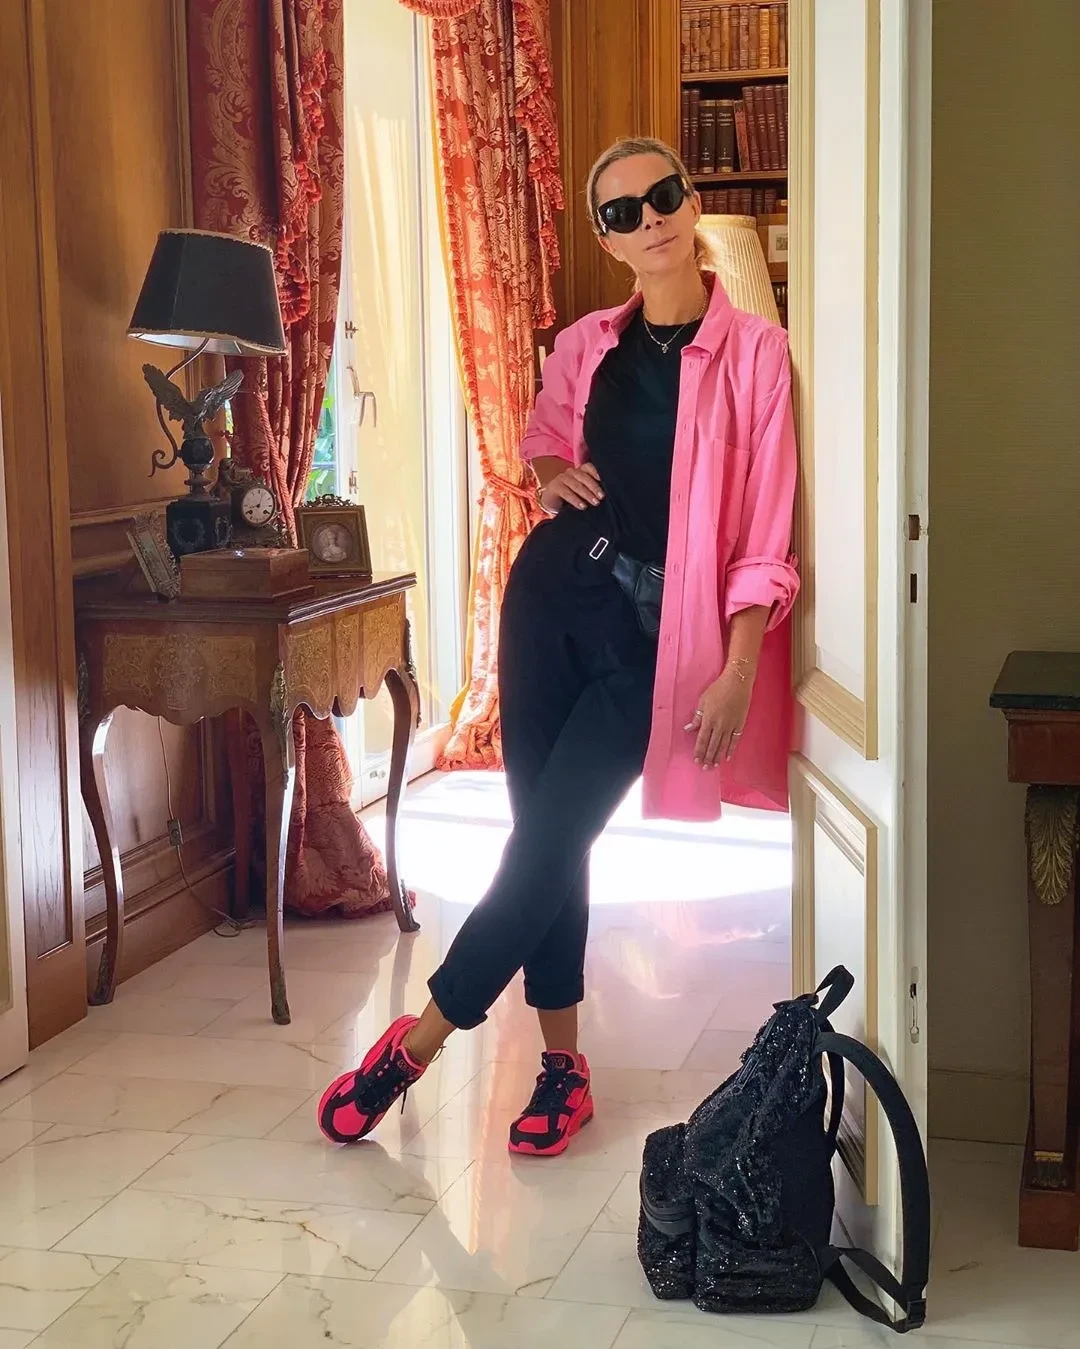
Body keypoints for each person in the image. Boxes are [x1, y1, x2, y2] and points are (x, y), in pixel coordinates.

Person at [317, 137, 799, 1156]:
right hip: (550, 601)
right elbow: (542, 442)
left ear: (691, 201)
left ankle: (418, 1041)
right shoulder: (586, 344)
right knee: (546, 836)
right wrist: (546, 475)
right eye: (622, 212)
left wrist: (738, 664)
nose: (649, 219)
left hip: (657, 641)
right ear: (607, 240)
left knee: (551, 835)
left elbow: (765, 536)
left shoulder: (757, 353)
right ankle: (564, 1066)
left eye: (663, 196)